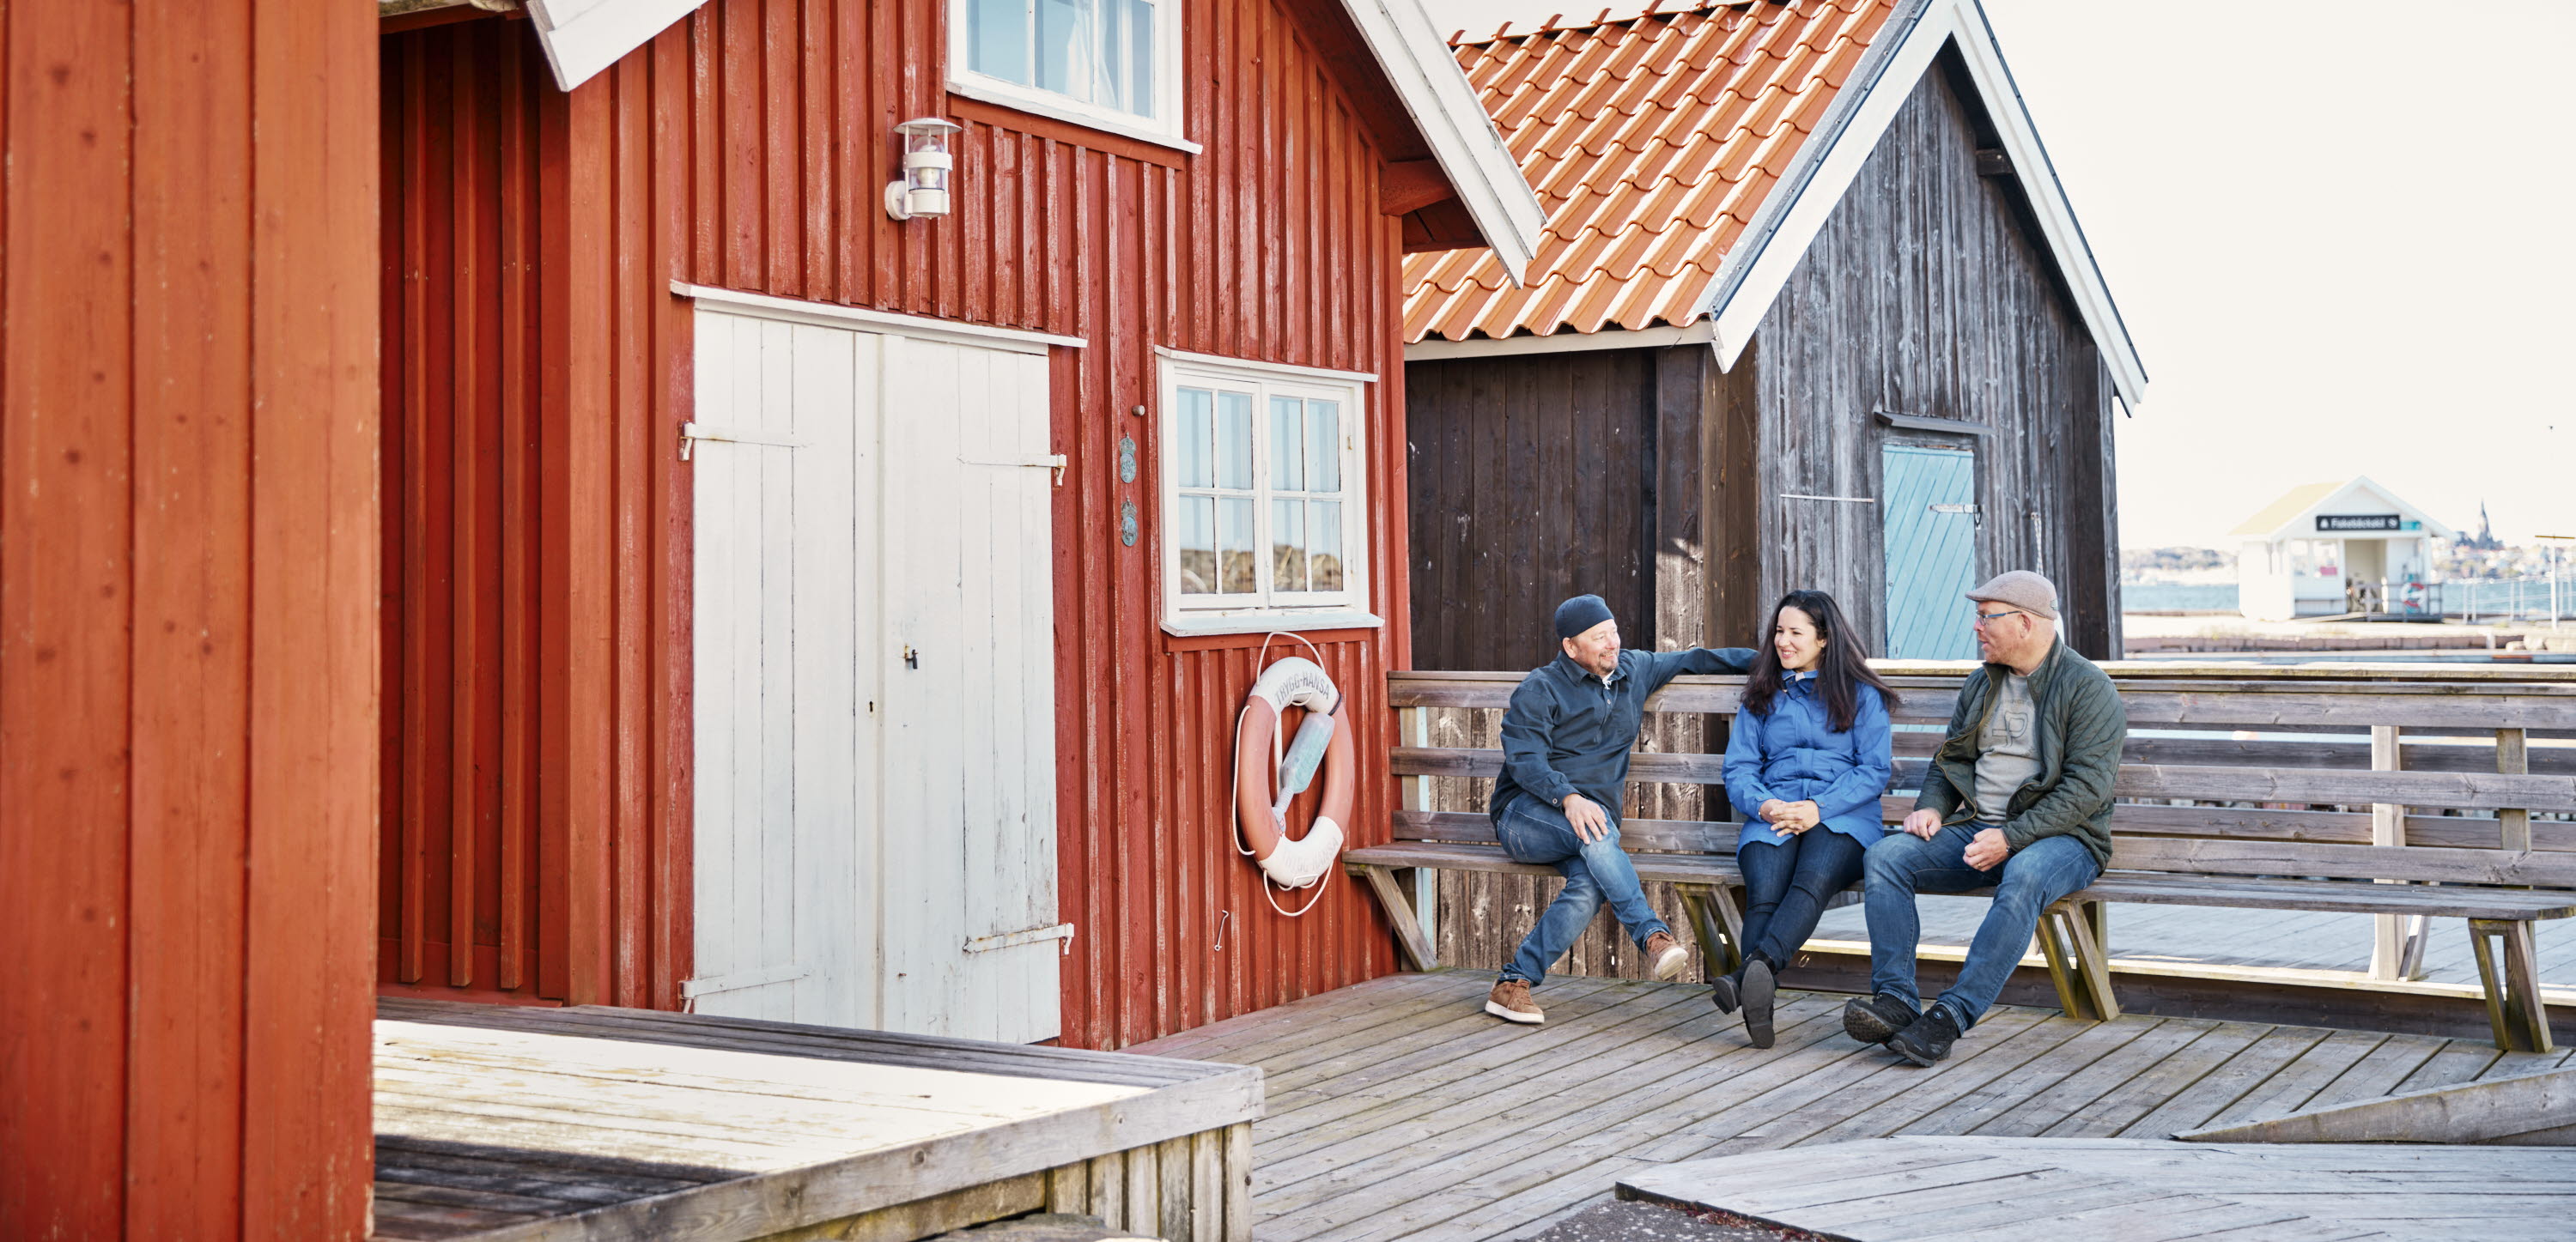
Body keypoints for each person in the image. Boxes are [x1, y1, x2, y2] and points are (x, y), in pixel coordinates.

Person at [1844, 570, 2126, 1065]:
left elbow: (2086, 790)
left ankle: (1951, 1016)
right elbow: (1951, 760)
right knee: (1887, 856)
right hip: (1978, 829)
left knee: (2024, 875)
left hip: (2064, 840)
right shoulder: (1982, 683)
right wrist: (1931, 806)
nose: (1977, 627)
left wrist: (2011, 838)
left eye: (1985, 617)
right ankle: (1896, 999)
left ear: (2024, 623)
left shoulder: (2088, 688)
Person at [1484, 594, 1757, 1025]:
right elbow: (1525, 760)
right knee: (1596, 830)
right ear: (1571, 647)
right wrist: (1568, 797)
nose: (1612, 643)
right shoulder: (1542, 686)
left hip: (1592, 829)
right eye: (1599, 637)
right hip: (1524, 817)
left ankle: (1513, 983)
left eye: (1613, 632)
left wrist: (1774, 663)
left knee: (1590, 886)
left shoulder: (1633, 669)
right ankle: (1653, 937)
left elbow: (1696, 659)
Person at [1713, 591, 1896, 1048]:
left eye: (1796, 632)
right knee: (1765, 893)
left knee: (1812, 878)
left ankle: (1747, 975)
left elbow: (1873, 770)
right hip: (1774, 810)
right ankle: (1759, 1003)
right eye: (1779, 631)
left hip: (1844, 817)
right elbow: (1738, 768)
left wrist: (1819, 809)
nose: (1783, 641)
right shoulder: (1762, 694)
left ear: (1825, 639)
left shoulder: (1861, 695)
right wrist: (1765, 806)